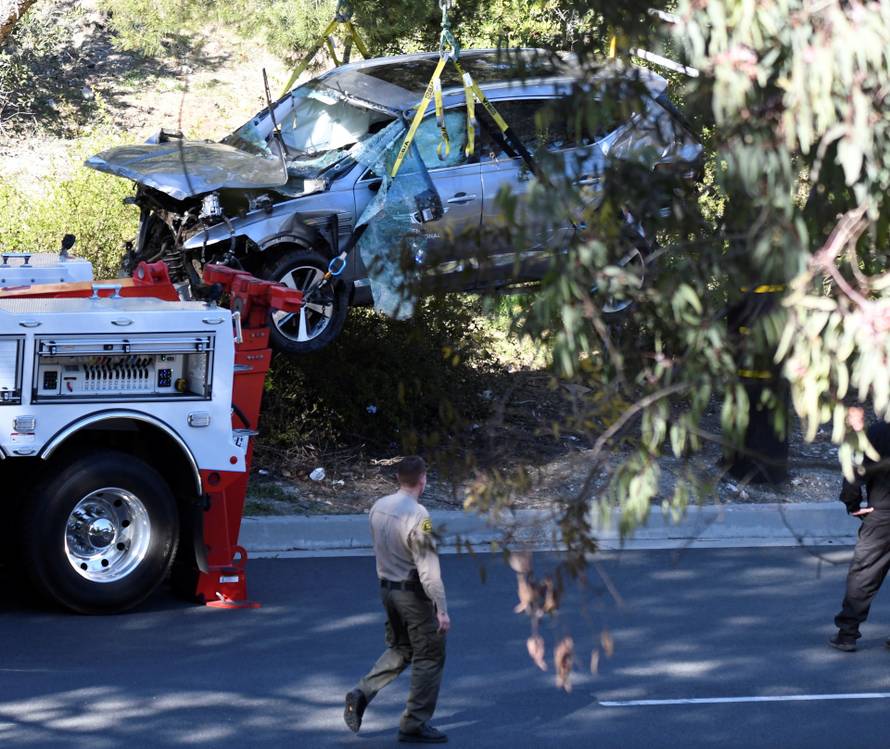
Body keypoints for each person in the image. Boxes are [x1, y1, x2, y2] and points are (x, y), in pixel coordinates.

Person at [344, 455, 450, 743]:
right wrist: (441, 608)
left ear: (398, 479)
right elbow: (429, 570)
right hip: (412, 594)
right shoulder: (419, 516)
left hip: (386, 590)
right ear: (423, 479)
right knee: (429, 655)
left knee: (402, 648)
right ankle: (414, 723)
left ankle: (361, 693)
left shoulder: (379, 506)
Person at [830, 419, 890, 651]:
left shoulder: (878, 431)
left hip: (882, 514)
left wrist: (852, 503)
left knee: (864, 574)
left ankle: (848, 633)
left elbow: (855, 470)